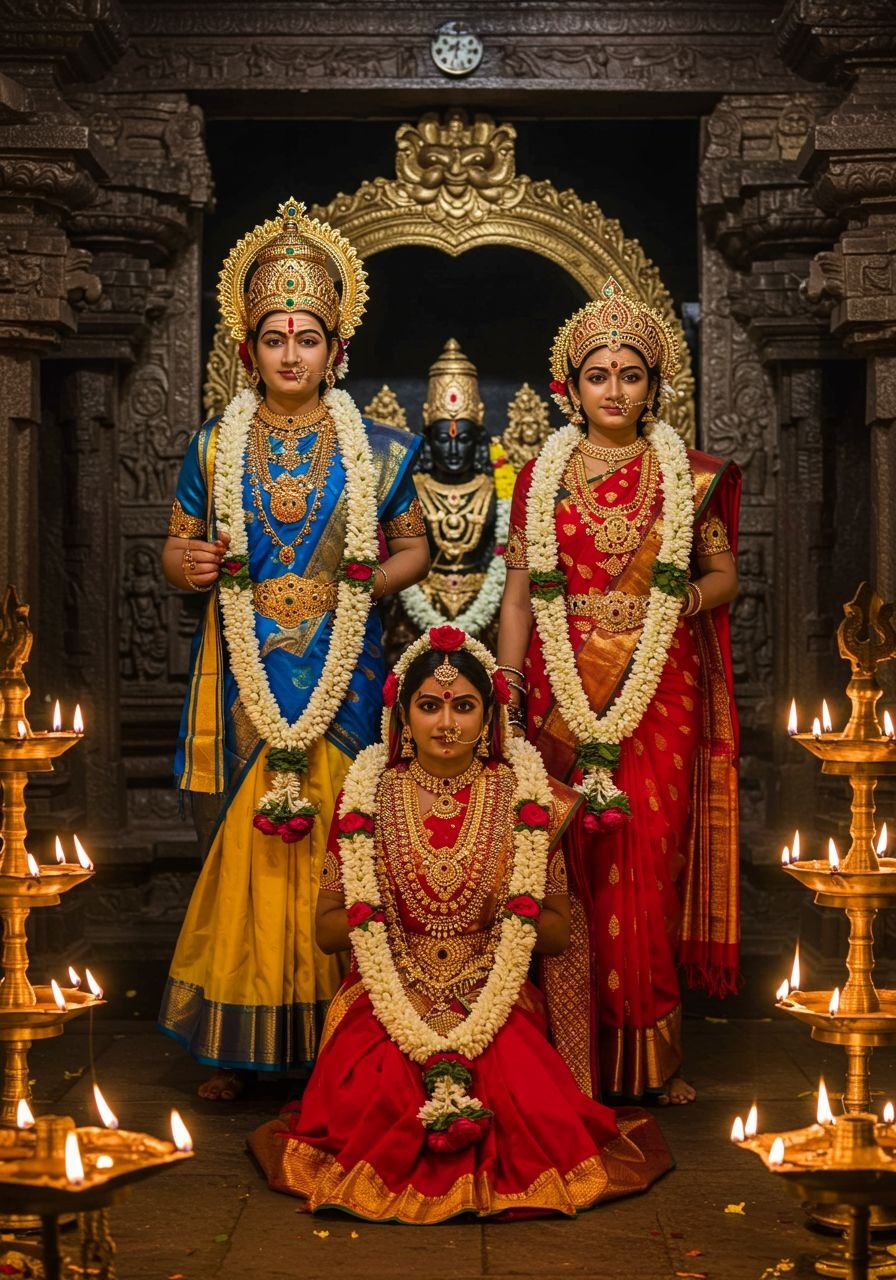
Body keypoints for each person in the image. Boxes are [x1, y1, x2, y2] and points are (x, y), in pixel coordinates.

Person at [248, 625, 672, 1221]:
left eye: (464, 706)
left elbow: (556, 933)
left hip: (491, 994)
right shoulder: (369, 791)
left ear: (489, 716)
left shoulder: (527, 796)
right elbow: (325, 932)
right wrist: (376, 913)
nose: (446, 723)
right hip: (387, 992)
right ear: (403, 716)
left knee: (523, 1103)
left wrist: (513, 905)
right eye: (429, 706)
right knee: (379, 1098)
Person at [157, 197, 429, 1099]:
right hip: (245, 668)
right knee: (250, 845)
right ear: (248, 350)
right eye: (273, 337)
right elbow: (175, 545)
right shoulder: (214, 442)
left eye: (306, 337)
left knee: (341, 843)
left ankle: (345, 1038)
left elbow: (416, 550)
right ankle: (239, 1044)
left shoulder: (382, 449)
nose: (289, 354)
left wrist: (359, 587)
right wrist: (187, 563)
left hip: (344, 670)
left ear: (335, 348)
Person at [497, 278, 740, 1106]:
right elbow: (523, 597)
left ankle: (651, 1052)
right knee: (566, 860)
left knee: (644, 860)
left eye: (630, 374)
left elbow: (722, 572)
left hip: (657, 691)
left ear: (653, 386)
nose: (613, 389)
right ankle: (572, 1051)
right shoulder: (539, 477)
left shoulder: (686, 478)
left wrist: (672, 602)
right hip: (563, 690)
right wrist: (506, 683)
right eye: (597, 374)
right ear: (570, 386)